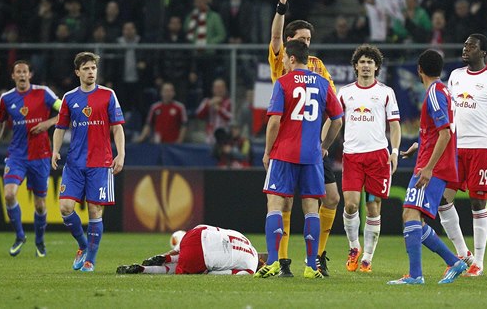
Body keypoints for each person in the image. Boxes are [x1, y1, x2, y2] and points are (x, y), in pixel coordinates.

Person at [266, 0, 340, 277]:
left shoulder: (317, 66)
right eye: (302, 38)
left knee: (329, 198)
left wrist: (324, 142)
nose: (307, 43)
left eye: (310, 38)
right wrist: (281, 7)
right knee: (288, 202)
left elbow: (332, 110)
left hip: (311, 142)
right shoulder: (282, 60)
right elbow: (274, 36)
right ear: (290, 42)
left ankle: (315, 258)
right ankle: (284, 260)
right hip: (292, 139)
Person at [255, 40, 343, 279]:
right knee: (311, 208)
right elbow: (337, 120)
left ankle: (273, 262)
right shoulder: (324, 83)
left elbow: (274, 121)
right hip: (312, 156)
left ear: (292, 58)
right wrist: (324, 146)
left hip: (284, 153)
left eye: (285, 58)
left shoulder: (283, 83)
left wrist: (267, 151)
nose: (283, 61)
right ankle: (311, 267)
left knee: (275, 204)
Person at [437, 33, 487, 277]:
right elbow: (448, 111)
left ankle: (478, 262)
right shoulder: (455, 76)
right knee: (442, 199)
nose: (466, 49)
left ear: (483, 52)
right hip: (454, 146)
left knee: (477, 202)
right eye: (464, 45)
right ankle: (463, 253)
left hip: (481, 146)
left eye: (471, 46)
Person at [387, 49, 467, 285]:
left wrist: (429, 167)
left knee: (410, 213)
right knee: (413, 216)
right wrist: (419, 146)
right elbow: (436, 132)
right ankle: (454, 262)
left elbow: (445, 132)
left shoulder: (434, 93)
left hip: (433, 166)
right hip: (431, 160)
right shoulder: (442, 91)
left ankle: (415, 275)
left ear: (419, 69)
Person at [52, 52, 126, 272]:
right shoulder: (69, 98)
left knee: (95, 211)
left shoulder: (108, 95)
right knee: (65, 207)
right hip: (74, 163)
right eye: (86, 68)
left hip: (100, 164)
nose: (91, 72)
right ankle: (83, 245)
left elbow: (117, 127)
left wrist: (120, 154)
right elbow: (60, 127)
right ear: (77, 72)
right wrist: (55, 151)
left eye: (93, 68)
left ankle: (90, 260)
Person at [0, 60, 61, 257]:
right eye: (18, 72)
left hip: (40, 156)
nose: (22, 75)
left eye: (25, 71)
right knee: (9, 194)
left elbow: (66, 111)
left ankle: (40, 240)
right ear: (13, 76)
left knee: (40, 204)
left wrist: (48, 123)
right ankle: (20, 236)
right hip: (17, 155)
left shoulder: (43, 93)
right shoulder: (6, 99)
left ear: (30, 74)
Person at [337, 44, 401, 273]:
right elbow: (334, 120)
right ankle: (354, 248)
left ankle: (367, 258)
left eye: (370, 62)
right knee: (351, 204)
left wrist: (394, 152)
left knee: (373, 208)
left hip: (377, 157)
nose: (365, 66)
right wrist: (322, 144)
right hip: (352, 156)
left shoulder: (386, 92)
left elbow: (394, 125)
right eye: (362, 62)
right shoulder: (344, 93)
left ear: (377, 67)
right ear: (355, 66)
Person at [116, 225, 266, 275]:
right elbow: (221, 274)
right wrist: (206, 271)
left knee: (185, 255)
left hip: (194, 234)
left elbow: (209, 227)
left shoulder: (244, 238)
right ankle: (143, 269)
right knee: (182, 267)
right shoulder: (251, 269)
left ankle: (165, 257)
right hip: (199, 256)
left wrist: (176, 250)